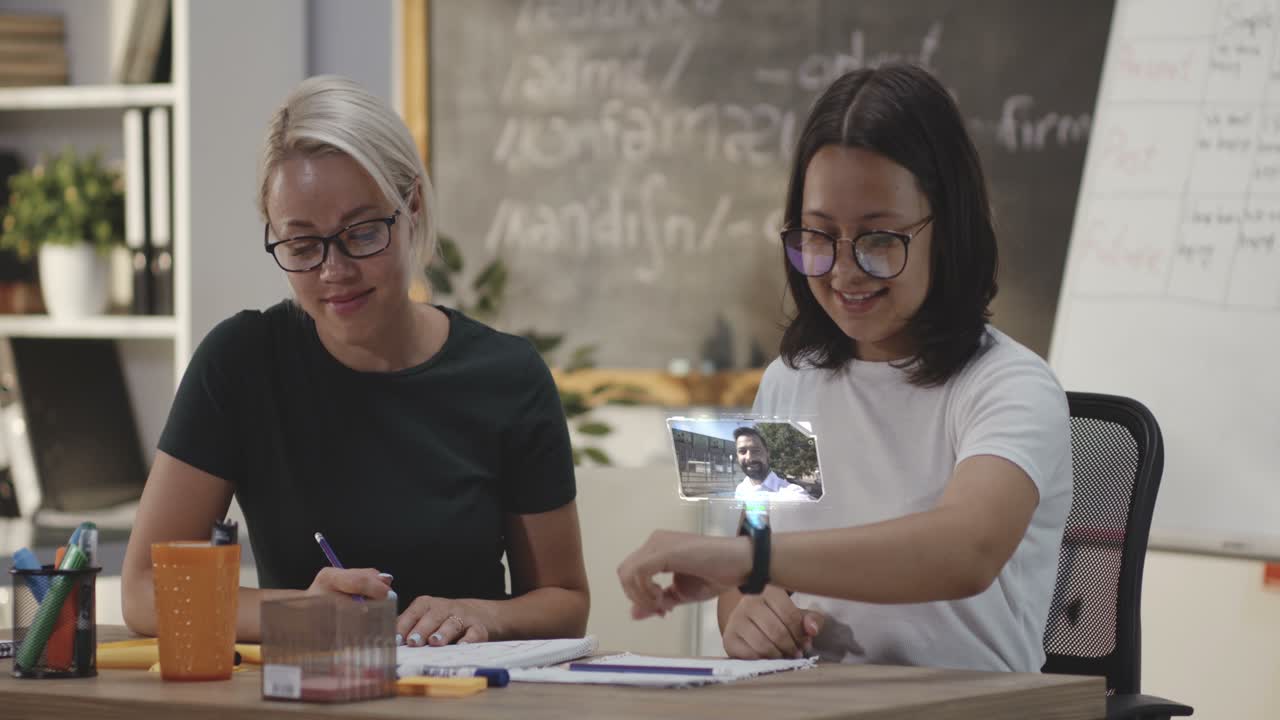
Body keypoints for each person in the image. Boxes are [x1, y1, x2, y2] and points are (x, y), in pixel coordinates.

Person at [617, 64, 1071, 673]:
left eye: (879, 239)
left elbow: (967, 550)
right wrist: (748, 613)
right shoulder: (788, 380)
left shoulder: (1010, 384)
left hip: (967, 705)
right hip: (816, 699)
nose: (844, 270)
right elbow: (744, 574)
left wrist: (750, 564)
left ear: (947, 231)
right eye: (818, 235)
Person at [121, 76, 589, 646]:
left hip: (466, 688)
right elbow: (144, 590)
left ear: (411, 206)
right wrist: (302, 610)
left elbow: (565, 601)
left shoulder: (507, 377)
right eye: (301, 245)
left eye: (362, 233)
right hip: (306, 688)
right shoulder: (241, 363)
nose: (333, 270)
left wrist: (484, 615)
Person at [732, 427, 811, 501]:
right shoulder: (740, 489)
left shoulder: (794, 495)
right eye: (742, 451)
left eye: (756, 450)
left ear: (767, 453)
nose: (749, 458)